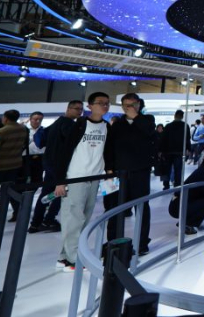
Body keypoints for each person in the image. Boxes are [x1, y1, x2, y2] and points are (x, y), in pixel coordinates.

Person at [54, 92, 114, 272]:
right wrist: (60, 180)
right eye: (100, 103)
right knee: (73, 218)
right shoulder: (79, 125)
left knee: (84, 218)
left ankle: (65, 256)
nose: (104, 106)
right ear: (90, 106)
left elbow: (107, 151)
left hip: (94, 177)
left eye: (107, 103)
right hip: (76, 177)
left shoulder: (106, 127)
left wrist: (109, 171)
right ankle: (74, 258)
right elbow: (64, 152)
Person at [105, 93, 156, 255]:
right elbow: (109, 147)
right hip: (119, 173)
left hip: (140, 171)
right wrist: (109, 169)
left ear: (139, 105)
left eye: (133, 105)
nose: (130, 108)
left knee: (141, 207)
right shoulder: (117, 125)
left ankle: (142, 243)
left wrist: (136, 116)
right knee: (115, 208)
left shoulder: (147, 120)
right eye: (126, 105)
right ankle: (113, 242)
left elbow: (150, 134)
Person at [29, 101, 84, 233]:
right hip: (60, 165)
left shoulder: (56, 123)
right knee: (60, 192)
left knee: (46, 193)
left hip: (49, 163)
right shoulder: (69, 124)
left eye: (81, 109)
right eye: (77, 109)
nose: (79, 111)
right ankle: (49, 220)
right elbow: (73, 143)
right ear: (68, 109)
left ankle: (36, 223)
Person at [169, 152, 204, 235]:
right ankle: (188, 224)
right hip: (177, 206)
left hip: (178, 204)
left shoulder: (203, 170)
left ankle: (186, 222)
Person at [159, 110, 191, 191]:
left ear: (175, 115)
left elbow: (163, 139)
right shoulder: (185, 126)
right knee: (178, 170)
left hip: (168, 151)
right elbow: (187, 138)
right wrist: (188, 149)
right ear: (182, 117)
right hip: (179, 151)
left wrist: (161, 150)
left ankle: (166, 185)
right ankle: (177, 186)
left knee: (167, 169)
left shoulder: (168, 126)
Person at [24, 111, 46, 184]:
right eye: (36, 119)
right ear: (30, 119)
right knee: (24, 178)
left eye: (40, 119)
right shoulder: (24, 129)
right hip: (26, 158)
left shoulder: (44, 130)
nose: (38, 121)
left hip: (40, 158)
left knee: (38, 179)